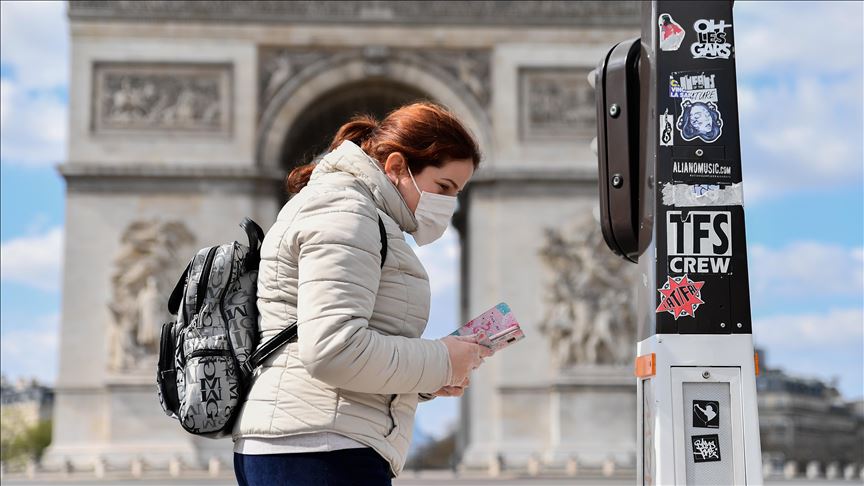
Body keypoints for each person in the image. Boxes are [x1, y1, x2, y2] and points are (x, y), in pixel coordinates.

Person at [232, 101, 493, 485]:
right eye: (443, 187)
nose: (448, 205)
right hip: (318, 448)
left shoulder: (356, 211)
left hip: (319, 441)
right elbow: (333, 351)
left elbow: (347, 351)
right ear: (397, 167)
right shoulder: (345, 212)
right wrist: (441, 359)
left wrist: (429, 377)